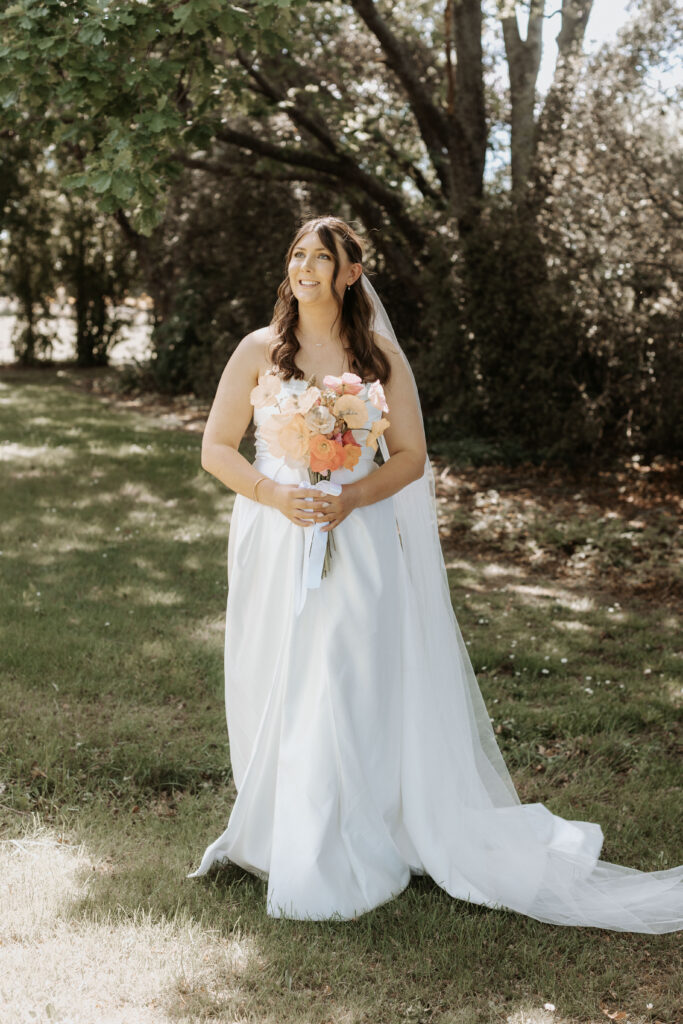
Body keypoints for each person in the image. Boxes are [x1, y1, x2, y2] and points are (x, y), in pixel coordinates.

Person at [187, 216, 682, 931]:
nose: (304, 267)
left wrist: (350, 497)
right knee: (276, 677)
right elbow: (216, 448)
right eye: (297, 254)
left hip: (357, 536)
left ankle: (348, 837)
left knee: (345, 674)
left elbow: (411, 457)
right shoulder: (258, 349)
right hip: (274, 534)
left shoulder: (379, 355)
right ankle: (275, 832)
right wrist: (276, 495)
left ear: (351, 272)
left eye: (322, 257)